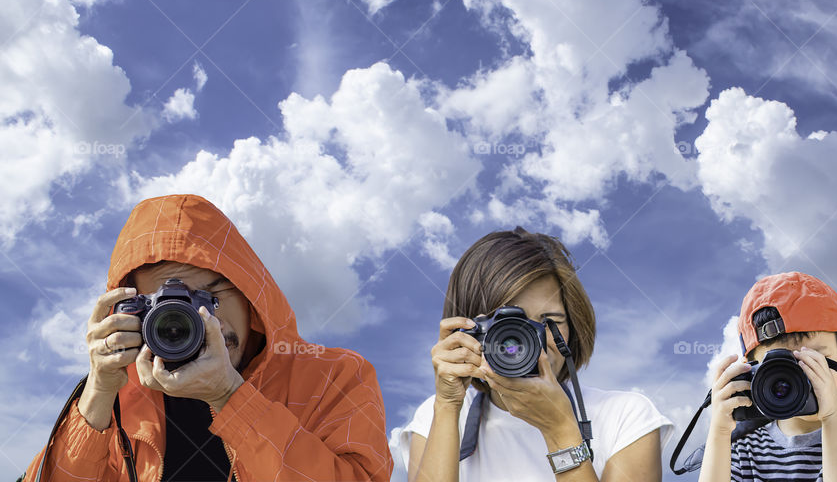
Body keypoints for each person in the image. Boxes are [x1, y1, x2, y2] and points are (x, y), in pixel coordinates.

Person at [23, 194, 392, 482]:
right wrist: (97, 394)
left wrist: (231, 397)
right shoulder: (119, 394)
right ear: (131, 309)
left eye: (210, 297)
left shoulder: (337, 375)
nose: (199, 320)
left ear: (252, 294)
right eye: (163, 306)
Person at [396, 227, 673, 481]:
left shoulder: (627, 417)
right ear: (467, 330)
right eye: (506, 326)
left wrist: (561, 430)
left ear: (574, 327)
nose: (528, 342)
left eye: (549, 320)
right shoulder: (435, 418)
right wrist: (447, 406)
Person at [699, 271, 837, 481]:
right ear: (753, 372)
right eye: (781, 367)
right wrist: (719, 433)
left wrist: (833, 416)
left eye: (814, 359)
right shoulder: (743, 450)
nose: (802, 378)